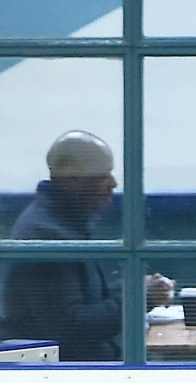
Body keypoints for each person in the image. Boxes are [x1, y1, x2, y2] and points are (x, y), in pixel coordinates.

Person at [2, 130, 174, 361]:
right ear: (73, 181)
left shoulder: (60, 224)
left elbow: (81, 306)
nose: (113, 183)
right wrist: (141, 298)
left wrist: (133, 288)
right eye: (103, 175)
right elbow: (73, 326)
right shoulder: (46, 236)